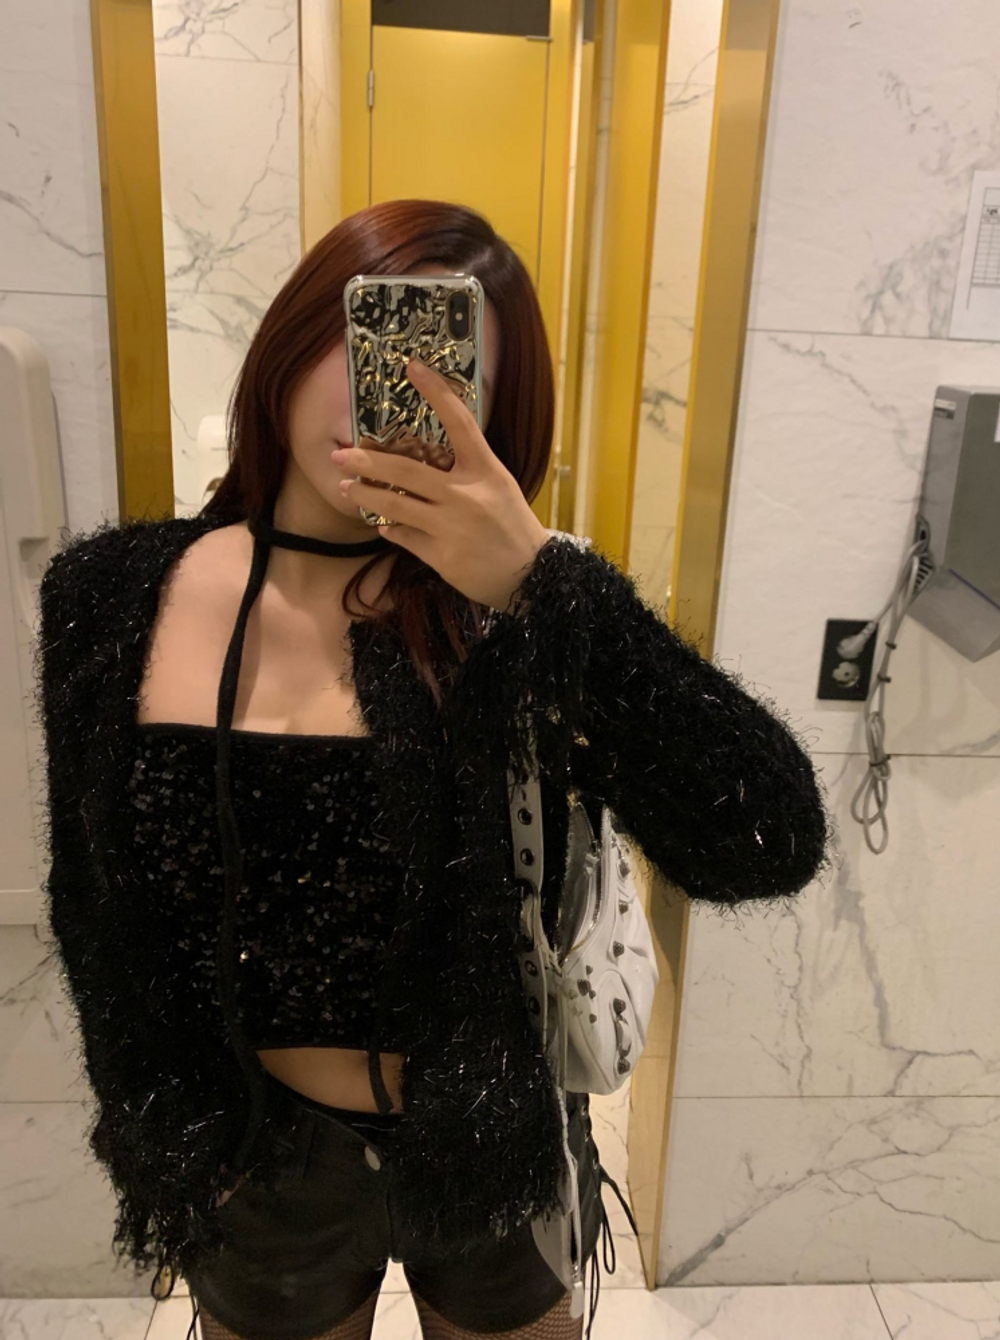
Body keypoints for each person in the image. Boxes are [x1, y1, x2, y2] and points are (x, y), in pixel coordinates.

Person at [33, 199, 834, 1340]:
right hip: (257, 1163)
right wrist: (167, 1139)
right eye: (368, 337)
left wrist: (543, 587)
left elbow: (765, 838)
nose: (396, 386)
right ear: (295, 337)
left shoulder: (518, 609)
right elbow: (95, 905)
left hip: (492, 1135)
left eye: (448, 366)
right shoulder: (113, 597)